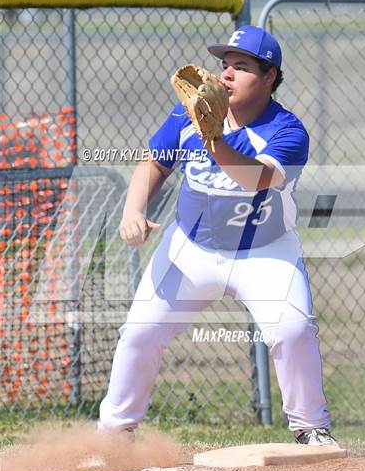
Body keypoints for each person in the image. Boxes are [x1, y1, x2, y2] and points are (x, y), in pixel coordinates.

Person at [99, 25, 339, 447]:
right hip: (191, 247)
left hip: (264, 252)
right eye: (224, 65)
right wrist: (133, 210)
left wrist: (213, 139)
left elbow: (256, 178)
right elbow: (154, 163)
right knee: (139, 332)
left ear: (269, 77)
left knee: (292, 330)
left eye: (241, 67)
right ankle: (115, 434)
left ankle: (310, 426)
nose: (226, 75)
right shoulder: (188, 116)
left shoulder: (288, 130)